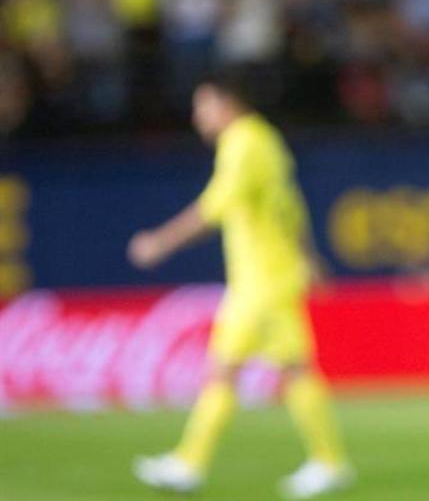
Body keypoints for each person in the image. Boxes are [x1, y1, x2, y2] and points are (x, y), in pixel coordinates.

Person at [127, 77, 354, 499]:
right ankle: (324, 460)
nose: (198, 116)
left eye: (203, 105)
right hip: (271, 275)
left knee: (239, 369)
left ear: (226, 103)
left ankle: (192, 464)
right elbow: (289, 207)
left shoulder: (242, 143)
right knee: (283, 368)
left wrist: (159, 242)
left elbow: (213, 207)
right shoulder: (266, 139)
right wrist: (308, 257)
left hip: (260, 281)